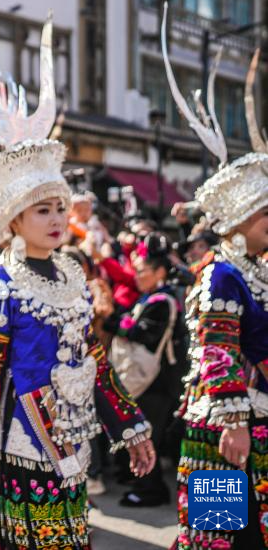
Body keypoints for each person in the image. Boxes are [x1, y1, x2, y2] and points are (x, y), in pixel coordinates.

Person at [0, 2, 155, 549]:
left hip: (70, 445)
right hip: (19, 448)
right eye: (44, 210)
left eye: (61, 208)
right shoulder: (0, 285)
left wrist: (126, 424)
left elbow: (92, 358)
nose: (59, 218)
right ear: (14, 219)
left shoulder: (70, 274)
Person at [162, 31, 268, 549]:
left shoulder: (257, 268)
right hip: (220, 429)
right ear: (237, 219)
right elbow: (215, 351)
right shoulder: (221, 272)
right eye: (265, 212)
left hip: (258, 424)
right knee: (216, 535)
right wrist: (232, 421)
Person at [104, 234, 186, 507]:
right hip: (151, 381)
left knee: (147, 434)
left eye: (143, 271)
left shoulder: (163, 300)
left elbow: (144, 334)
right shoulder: (153, 298)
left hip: (158, 382)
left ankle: (152, 490)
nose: (137, 276)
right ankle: (147, 486)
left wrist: (115, 322)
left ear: (160, 271)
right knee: (142, 433)